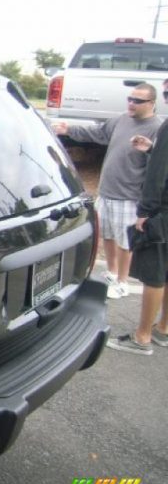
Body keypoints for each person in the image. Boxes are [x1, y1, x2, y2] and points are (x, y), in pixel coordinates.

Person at [52, 83, 162, 299]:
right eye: (130, 99)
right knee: (108, 235)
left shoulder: (156, 127)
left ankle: (123, 281)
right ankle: (111, 272)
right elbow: (98, 133)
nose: (131, 103)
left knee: (125, 242)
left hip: (129, 195)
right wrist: (69, 129)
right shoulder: (121, 120)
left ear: (151, 103)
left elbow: (159, 162)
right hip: (107, 190)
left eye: (138, 101)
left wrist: (150, 149)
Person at [107, 78, 168, 355]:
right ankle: (163, 330)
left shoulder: (165, 126)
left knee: (154, 274)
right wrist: (153, 150)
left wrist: (145, 212)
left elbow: (157, 175)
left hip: (161, 212)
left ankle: (142, 337)